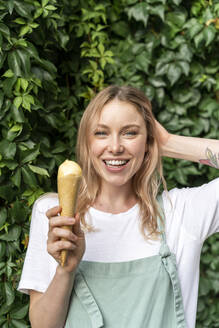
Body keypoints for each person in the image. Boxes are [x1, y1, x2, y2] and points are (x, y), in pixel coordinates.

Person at [18, 85, 219, 328]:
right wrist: (66, 270)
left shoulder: (182, 214)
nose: (115, 147)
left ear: (148, 141)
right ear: (86, 142)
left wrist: (167, 142)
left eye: (130, 133)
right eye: (101, 133)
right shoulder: (57, 215)